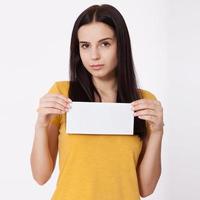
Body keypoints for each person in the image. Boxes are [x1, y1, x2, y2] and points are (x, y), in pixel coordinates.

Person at [30, 4, 164, 200]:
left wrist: (158, 132)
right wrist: (41, 125)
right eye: (85, 45)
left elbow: (145, 188)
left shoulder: (144, 102)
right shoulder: (62, 94)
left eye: (105, 44)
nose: (94, 56)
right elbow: (40, 176)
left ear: (121, 45)